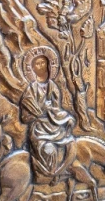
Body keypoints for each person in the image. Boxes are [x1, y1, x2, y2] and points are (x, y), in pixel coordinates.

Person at [20, 54, 76, 183]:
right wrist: (40, 111)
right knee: (49, 150)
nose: (41, 66)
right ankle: (48, 177)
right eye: (37, 63)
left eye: (43, 62)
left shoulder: (53, 87)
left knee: (72, 144)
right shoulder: (30, 90)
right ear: (33, 68)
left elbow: (56, 110)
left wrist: (67, 118)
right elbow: (24, 117)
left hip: (54, 127)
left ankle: (62, 171)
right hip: (39, 131)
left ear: (48, 65)